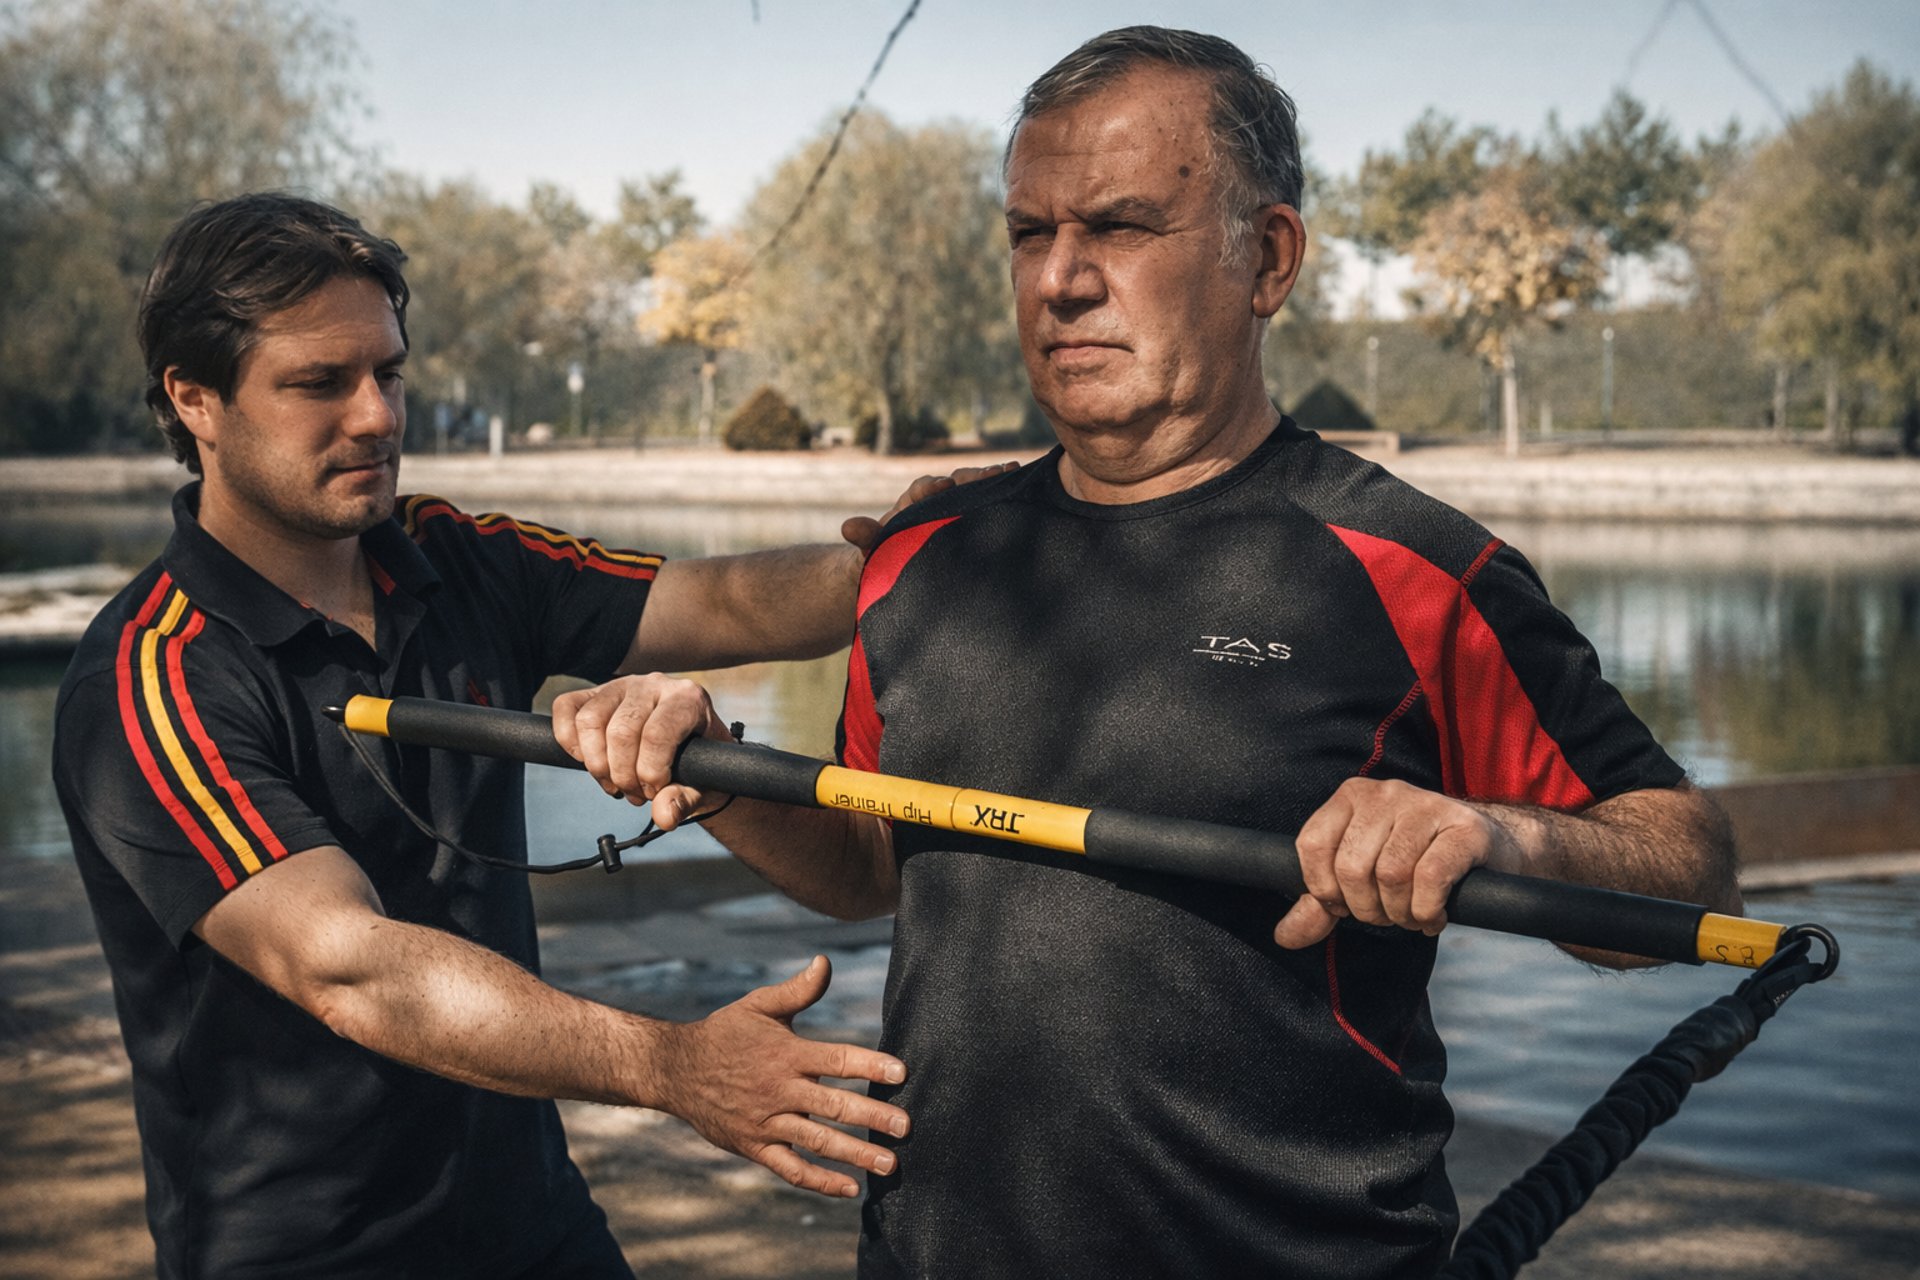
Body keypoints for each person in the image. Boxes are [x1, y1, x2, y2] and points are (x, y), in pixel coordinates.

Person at [558, 26, 1746, 1279]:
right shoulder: (926, 557)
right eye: (1029, 232)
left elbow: (1690, 868)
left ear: (1267, 258)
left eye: (1120, 226)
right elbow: (871, 862)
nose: (1060, 279)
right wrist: (715, 768)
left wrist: (1507, 836)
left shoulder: (1416, 568)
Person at [51, 192, 1007, 1279]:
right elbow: (348, 967)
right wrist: (673, 1065)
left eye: (390, 373)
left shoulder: (457, 552)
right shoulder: (151, 674)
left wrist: (920, 556)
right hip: (307, 1255)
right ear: (196, 399)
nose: (376, 415)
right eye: (321, 382)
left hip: (535, 1224)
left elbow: (720, 603)